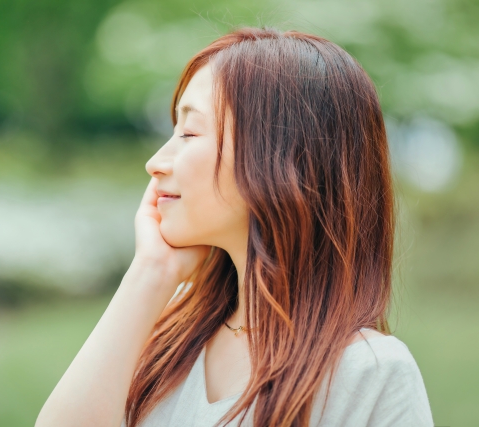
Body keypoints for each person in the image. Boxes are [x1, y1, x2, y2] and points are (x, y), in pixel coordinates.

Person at [35, 27, 433, 427]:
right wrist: (150, 273)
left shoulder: (369, 373)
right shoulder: (166, 337)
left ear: (281, 158)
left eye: (190, 133)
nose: (156, 162)